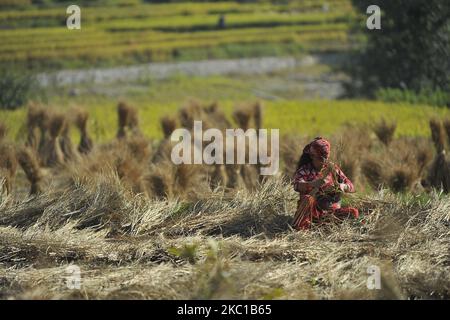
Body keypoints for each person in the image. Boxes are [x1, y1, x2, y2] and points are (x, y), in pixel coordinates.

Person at [292, 137, 359, 230]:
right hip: (312, 214)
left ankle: (326, 225)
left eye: (326, 158)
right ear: (312, 156)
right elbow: (296, 185)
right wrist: (312, 184)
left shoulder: (333, 169)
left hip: (331, 213)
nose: (324, 161)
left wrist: (343, 186)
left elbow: (352, 187)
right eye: (320, 158)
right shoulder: (305, 170)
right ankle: (304, 227)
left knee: (353, 212)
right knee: (308, 199)